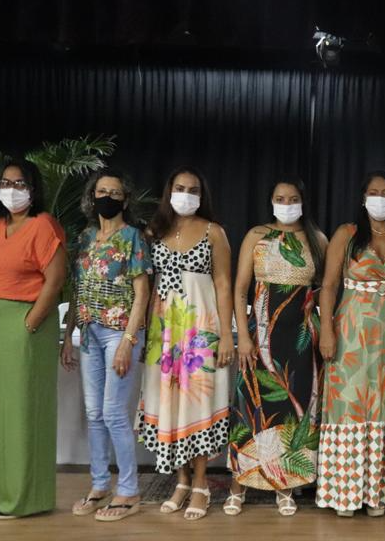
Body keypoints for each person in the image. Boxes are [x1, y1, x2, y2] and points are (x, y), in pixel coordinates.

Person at [316, 171, 385, 517]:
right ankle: (345, 494)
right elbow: (329, 286)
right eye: (374, 192)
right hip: (352, 333)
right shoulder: (346, 234)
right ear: (363, 198)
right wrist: (327, 331)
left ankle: (379, 494)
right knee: (349, 405)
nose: (380, 198)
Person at [137, 166, 234, 521]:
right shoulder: (154, 231)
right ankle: (180, 480)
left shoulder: (214, 232)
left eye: (193, 189)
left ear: (202, 195)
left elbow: (223, 284)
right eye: (180, 188)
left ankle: (201, 483)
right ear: (169, 191)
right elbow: (147, 285)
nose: (187, 194)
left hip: (200, 331)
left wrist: (226, 334)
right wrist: (147, 332)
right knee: (169, 404)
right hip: (164, 333)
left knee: (198, 403)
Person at [226, 178, 326, 517]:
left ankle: (286, 485)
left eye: (293, 198)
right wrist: (243, 337)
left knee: (292, 413)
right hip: (260, 338)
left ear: (303, 201)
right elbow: (240, 291)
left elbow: (326, 292)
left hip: (301, 339)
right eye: (280, 198)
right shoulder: (256, 236)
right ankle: (238, 483)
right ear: (271, 201)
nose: (287, 203)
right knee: (250, 406)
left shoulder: (318, 240)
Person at [60, 170, 152, 521]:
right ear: (92, 196)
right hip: (89, 332)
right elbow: (78, 290)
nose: (108, 197)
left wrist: (129, 341)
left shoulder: (133, 238)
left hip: (120, 333)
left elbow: (142, 293)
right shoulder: (84, 238)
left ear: (125, 200)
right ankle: (100, 485)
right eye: (102, 191)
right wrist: (69, 335)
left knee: (114, 413)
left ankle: (128, 492)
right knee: (95, 413)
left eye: (115, 192)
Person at [0, 160, 67, 519]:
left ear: (33, 189)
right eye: (5, 182)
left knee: (22, 414)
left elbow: (56, 278)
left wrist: (29, 324)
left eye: (19, 183)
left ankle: (25, 498)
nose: (10, 189)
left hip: (25, 323)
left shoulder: (42, 225)